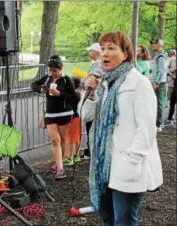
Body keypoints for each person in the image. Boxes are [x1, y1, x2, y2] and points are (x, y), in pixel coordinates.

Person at [82, 31, 163, 226]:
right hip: (104, 166)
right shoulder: (104, 84)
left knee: (124, 221)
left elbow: (147, 130)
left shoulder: (139, 84)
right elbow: (86, 115)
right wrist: (91, 94)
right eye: (102, 49)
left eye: (111, 48)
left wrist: (131, 160)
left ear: (125, 54)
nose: (104, 54)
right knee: (107, 218)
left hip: (127, 166)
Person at [31, 55, 77, 180]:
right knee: (54, 140)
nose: (52, 73)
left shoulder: (67, 80)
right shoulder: (47, 78)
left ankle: (59, 164)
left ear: (60, 69)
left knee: (63, 139)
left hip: (65, 113)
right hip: (50, 113)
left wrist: (60, 94)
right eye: (50, 70)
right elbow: (33, 84)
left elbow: (73, 96)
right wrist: (41, 90)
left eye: (54, 71)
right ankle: (60, 169)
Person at [84, 42, 103, 159]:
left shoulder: (97, 65)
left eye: (91, 51)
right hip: (96, 98)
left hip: (94, 100)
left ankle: (91, 150)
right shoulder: (97, 64)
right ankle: (91, 149)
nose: (90, 53)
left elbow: (92, 80)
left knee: (91, 125)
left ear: (96, 52)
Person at [150, 39, 168, 132]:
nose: (152, 45)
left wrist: (156, 83)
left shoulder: (161, 56)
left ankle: (159, 124)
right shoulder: (156, 55)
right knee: (155, 103)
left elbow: (162, 71)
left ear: (159, 45)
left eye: (154, 44)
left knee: (159, 104)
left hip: (159, 84)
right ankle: (155, 122)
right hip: (155, 82)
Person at [64, 76, 82, 166]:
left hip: (71, 117)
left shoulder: (71, 95)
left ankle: (70, 158)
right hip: (77, 116)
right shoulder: (78, 93)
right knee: (76, 137)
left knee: (70, 138)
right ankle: (76, 155)